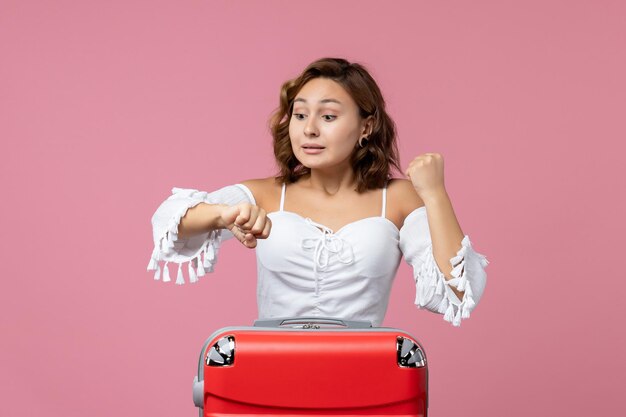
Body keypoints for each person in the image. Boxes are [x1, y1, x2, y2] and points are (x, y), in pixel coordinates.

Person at [147, 57, 488, 327]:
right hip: (270, 372)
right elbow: (170, 221)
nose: (309, 129)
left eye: (327, 116)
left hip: (363, 378)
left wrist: (436, 195)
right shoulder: (267, 194)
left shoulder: (397, 199)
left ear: (366, 126)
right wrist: (223, 214)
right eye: (299, 115)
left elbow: (458, 290)